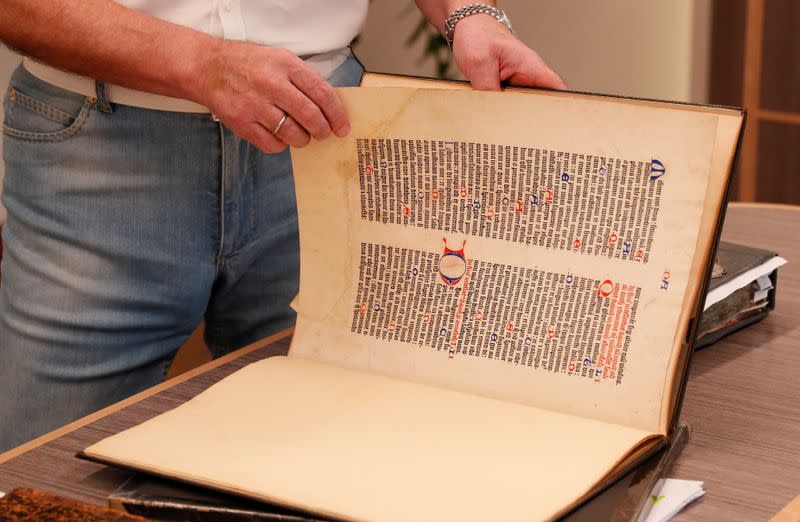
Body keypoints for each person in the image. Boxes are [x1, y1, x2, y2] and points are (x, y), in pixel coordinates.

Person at [0, 1, 564, 452]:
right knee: (43, 482)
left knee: (326, 455)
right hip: (99, 149)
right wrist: (203, 62)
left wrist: (470, 13)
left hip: (325, 130)